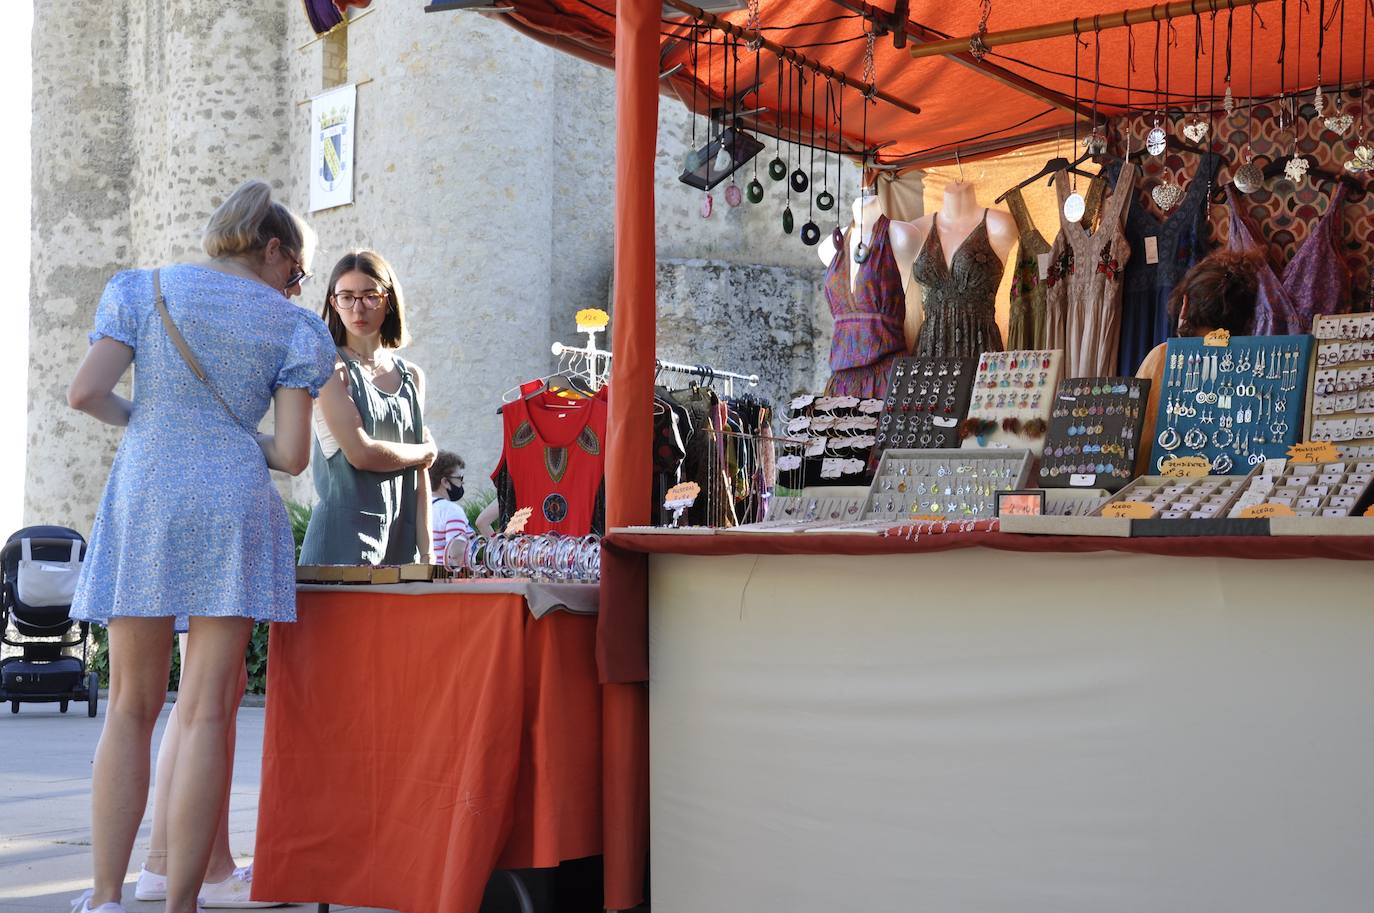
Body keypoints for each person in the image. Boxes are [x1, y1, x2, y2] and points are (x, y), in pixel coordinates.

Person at [66, 180, 336, 913]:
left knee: (129, 704)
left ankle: (104, 895)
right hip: (233, 501)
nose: (296, 284)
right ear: (274, 248)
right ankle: (182, 902)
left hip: (148, 489)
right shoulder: (292, 327)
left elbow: (85, 394)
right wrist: (231, 438)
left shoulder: (142, 289)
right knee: (209, 710)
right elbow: (292, 453)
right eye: (297, 271)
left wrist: (151, 421)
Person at [299, 250, 437, 565]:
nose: (358, 308)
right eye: (346, 297)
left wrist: (428, 552)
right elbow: (360, 454)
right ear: (333, 303)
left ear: (388, 300)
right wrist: (425, 453)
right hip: (339, 547)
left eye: (369, 296)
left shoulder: (411, 376)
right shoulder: (327, 366)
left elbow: (419, 478)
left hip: (400, 548)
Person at [1135, 250, 1261, 475]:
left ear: (1185, 305)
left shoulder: (1162, 359)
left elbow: (1137, 446)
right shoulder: (1257, 365)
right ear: (1248, 319)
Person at [428, 450, 473, 563]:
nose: (462, 483)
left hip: (423, 575)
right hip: (446, 577)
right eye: (459, 478)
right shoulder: (451, 510)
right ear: (445, 482)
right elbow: (456, 554)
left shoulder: (420, 507)